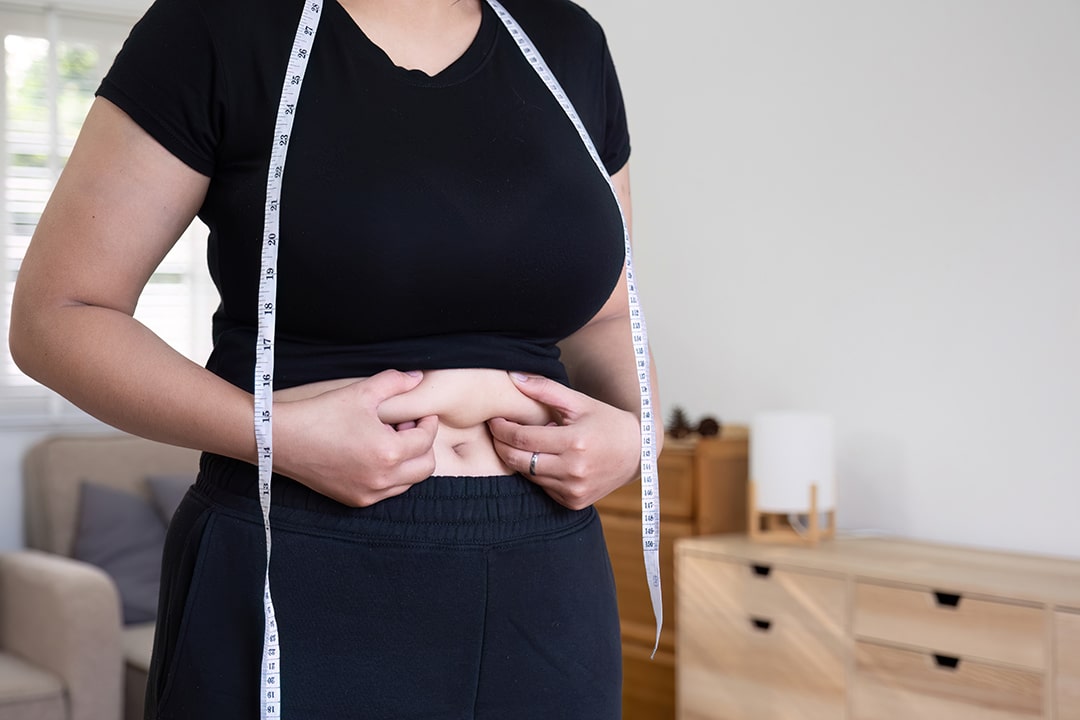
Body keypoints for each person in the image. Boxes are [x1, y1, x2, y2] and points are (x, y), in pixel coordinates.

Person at [9, 0, 661, 717]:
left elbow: (607, 316)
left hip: (545, 576)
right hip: (298, 555)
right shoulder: (217, 26)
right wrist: (277, 436)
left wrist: (638, 435)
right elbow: (57, 318)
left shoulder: (569, 43)